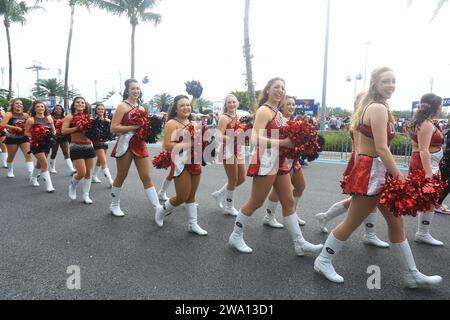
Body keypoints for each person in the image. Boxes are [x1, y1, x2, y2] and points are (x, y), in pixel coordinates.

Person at [313, 67, 442, 289]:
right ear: (375, 83)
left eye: (393, 81)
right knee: (351, 222)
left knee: (396, 223)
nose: (391, 85)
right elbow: (382, 148)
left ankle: (412, 274)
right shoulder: (378, 108)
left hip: (375, 170)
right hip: (372, 171)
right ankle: (323, 261)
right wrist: (399, 176)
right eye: (386, 81)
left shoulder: (375, 107)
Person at [228, 77, 323, 255]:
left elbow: (287, 137)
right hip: (265, 161)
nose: (280, 90)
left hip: (278, 161)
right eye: (276, 87)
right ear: (268, 89)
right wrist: (285, 143)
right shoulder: (264, 110)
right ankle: (236, 235)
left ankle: (299, 242)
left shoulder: (278, 112)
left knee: (287, 202)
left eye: (282, 88)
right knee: (255, 202)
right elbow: (255, 139)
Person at [314, 91, 389, 248]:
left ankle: (369, 233)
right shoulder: (359, 121)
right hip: (362, 163)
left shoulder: (367, 116)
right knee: (360, 202)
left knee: (367, 202)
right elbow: (359, 148)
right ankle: (329, 219)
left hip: (369, 163)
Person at [154, 94, 208, 235]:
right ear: (176, 109)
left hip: (194, 161)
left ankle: (193, 224)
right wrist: (188, 144)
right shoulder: (172, 123)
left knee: (191, 196)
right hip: (180, 162)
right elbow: (167, 145)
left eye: (188, 105)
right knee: (182, 196)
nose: (186, 107)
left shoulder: (194, 124)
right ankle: (162, 209)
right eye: (182, 105)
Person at [109, 79, 162, 217]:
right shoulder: (122, 106)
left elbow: (144, 128)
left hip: (139, 144)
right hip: (125, 144)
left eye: (138, 88)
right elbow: (113, 128)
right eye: (133, 88)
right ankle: (114, 205)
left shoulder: (142, 108)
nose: (136, 91)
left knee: (146, 177)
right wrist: (134, 127)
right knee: (122, 175)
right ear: (127, 90)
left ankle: (158, 208)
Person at [261, 95, 307, 228]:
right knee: (278, 191)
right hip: (282, 159)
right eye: (289, 104)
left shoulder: (294, 121)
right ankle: (269, 216)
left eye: (293, 104)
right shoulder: (279, 119)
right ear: (282, 106)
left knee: (300, 186)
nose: (291, 107)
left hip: (294, 159)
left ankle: (293, 213)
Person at [407, 93, 445, 246]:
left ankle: (423, 233)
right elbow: (423, 149)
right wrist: (429, 172)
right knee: (429, 199)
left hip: (430, 163)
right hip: (426, 164)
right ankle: (422, 233)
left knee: (431, 199)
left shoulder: (424, 122)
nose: (441, 108)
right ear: (435, 107)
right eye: (440, 105)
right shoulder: (426, 124)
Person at [211, 94, 246, 216]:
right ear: (225, 105)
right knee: (233, 179)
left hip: (239, 149)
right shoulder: (224, 118)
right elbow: (219, 135)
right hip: (228, 150)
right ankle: (229, 207)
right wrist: (233, 137)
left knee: (242, 178)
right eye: (229, 102)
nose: (232, 104)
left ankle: (219, 194)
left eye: (234, 102)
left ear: (237, 103)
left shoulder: (239, 116)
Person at [61, 96, 96, 204]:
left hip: (89, 146)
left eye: (82, 103)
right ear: (74, 104)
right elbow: (64, 131)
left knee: (89, 172)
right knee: (81, 172)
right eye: (78, 102)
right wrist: (78, 128)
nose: (80, 104)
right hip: (76, 147)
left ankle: (86, 195)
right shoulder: (69, 117)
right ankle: (73, 185)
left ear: (85, 105)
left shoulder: (88, 117)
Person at [24, 100, 56, 193]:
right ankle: (49, 185)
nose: (40, 108)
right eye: (38, 107)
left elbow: (54, 130)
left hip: (46, 144)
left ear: (45, 108)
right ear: (34, 109)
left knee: (40, 163)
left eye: (42, 106)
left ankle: (33, 178)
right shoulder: (31, 120)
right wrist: (36, 135)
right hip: (36, 144)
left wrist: (51, 135)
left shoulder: (49, 119)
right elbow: (26, 132)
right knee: (44, 163)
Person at [0, 98, 34, 178]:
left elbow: (30, 125)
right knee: (11, 157)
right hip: (12, 138)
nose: (19, 105)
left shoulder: (25, 115)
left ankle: (31, 173)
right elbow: (2, 124)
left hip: (24, 138)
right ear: (13, 105)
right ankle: (10, 170)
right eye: (17, 103)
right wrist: (15, 128)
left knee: (28, 155)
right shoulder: (9, 114)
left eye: (21, 104)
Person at [49, 104, 76, 175]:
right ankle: (52, 167)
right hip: (54, 138)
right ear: (54, 110)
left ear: (62, 110)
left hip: (63, 137)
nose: (58, 110)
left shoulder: (65, 118)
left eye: (60, 109)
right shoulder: (51, 118)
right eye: (56, 109)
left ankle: (71, 169)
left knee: (66, 153)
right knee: (54, 153)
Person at [91, 103, 114, 187]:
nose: (100, 110)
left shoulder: (107, 120)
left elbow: (110, 132)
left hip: (105, 142)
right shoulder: (93, 120)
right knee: (103, 161)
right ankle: (111, 181)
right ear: (96, 110)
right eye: (99, 109)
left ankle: (94, 176)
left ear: (104, 111)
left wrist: (109, 123)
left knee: (100, 160)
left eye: (102, 109)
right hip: (97, 142)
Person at [435, 120, 450, 214]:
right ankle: (438, 204)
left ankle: (437, 203)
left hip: (445, 159)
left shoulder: (447, 130)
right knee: (446, 184)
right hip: (447, 160)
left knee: (443, 182)